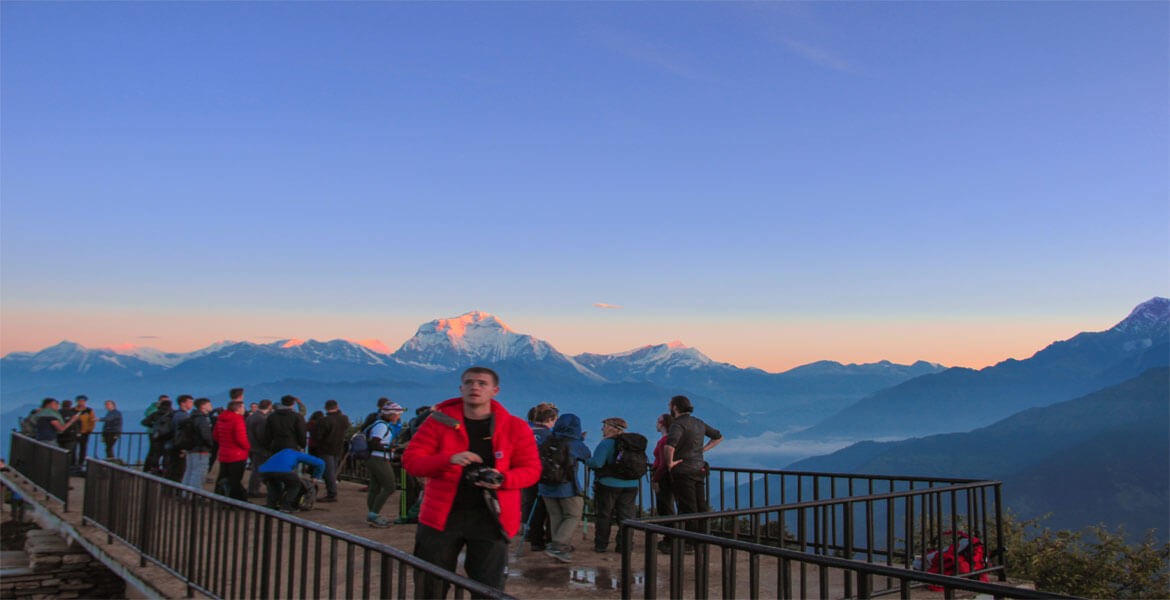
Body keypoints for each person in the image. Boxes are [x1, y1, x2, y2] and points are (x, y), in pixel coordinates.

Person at [402, 367, 540, 597]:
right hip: (441, 518)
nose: (475, 387)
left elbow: (532, 470)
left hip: (492, 519)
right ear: (461, 388)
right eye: (469, 382)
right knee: (430, 587)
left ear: (495, 390)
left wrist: (503, 479)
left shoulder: (515, 427)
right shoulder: (438, 423)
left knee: (488, 589)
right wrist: (448, 459)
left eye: (482, 383)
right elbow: (412, 461)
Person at [661, 395, 722, 553]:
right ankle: (702, 538)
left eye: (670, 404)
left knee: (687, 507)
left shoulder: (677, 424)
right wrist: (702, 450)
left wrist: (670, 464)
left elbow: (670, 446)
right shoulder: (699, 422)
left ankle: (690, 542)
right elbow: (718, 437)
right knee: (700, 505)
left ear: (675, 407)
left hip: (683, 470)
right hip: (699, 468)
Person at [539, 413, 591, 563]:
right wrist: (580, 440)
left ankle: (557, 547)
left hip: (545, 485)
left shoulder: (548, 439)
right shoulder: (574, 444)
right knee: (573, 514)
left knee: (556, 515)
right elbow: (587, 455)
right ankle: (559, 545)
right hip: (566, 486)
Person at [585, 417, 641, 553]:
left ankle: (601, 545)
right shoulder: (633, 444)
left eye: (604, 426)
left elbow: (597, 463)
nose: (602, 429)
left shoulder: (607, 444)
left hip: (608, 484)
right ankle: (624, 545)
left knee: (605, 514)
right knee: (626, 515)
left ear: (611, 428)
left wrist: (586, 461)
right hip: (631, 484)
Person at [523, 403, 557, 551]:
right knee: (546, 508)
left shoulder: (523, 430)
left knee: (529, 504)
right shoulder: (549, 435)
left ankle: (532, 537)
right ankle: (547, 539)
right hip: (543, 475)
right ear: (549, 419)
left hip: (524, 474)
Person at [364, 402, 404, 527]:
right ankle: (374, 514)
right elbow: (375, 443)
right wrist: (389, 449)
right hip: (379, 459)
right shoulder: (382, 426)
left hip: (374, 458)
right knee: (390, 486)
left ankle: (372, 513)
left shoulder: (379, 424)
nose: (398, 417)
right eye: (397, 414)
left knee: (375, 487)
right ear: (392, 415)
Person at [258, 448, 325, 513]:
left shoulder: (280, 453)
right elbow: (320, 463)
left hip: (263, 471)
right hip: (283, 471)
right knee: (295, 484)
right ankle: (286, 506)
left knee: (274, 485)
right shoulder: (296, 454)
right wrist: (316, 477)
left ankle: (271, 505)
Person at [213, 399, 250, 500]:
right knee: (235, 479)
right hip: (237, 454)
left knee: (222, 476)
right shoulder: (238, 420)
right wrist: (248, 447)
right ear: (238, 409)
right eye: (243, 407)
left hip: (224, 452)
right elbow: (240, 438)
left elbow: (216, 435)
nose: (244, 409)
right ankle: (235, 500)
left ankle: (219, 496)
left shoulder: (220, 419)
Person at [313, 399, 349, 503]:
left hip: (325, 449)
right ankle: (332, 492)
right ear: (337, 407)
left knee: (329, 473)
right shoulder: (344, 419)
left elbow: (318, 436)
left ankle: (332, 494)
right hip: (338, 448)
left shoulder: (323, 421)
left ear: (326, 408)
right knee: (333, 471)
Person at [180, 398, 215, 493]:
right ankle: (195, 496)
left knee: (189, 471)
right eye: (209, 404)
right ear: (203, 406)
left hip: (191, 449)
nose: (211, 406)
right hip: (201, 449)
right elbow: (206, 435)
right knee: (199, 473)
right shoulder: (202, 419)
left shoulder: (192, 417)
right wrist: (211, 444)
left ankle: (185, 494)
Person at [245, 399, 272, 498]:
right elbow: (262, 435)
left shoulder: (251, 417)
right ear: (269, 406)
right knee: (258, 470)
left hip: (251, 446)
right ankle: (254, 490)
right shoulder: (262, 419)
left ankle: (253, 489)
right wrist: (268, 445)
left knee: (256, 469)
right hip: (260, 448)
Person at [164, 395, 194, 482]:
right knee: (178, 470)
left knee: (172, 469)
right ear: (183, 403)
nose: (192, 404)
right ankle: (174, 491)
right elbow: (182, 433)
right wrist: (183, 447)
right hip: (177, 446)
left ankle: (168, 490)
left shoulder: (175, 414)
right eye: (190, 402)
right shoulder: (183, 416)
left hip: (171, 445)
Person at [651, 412, 675, 517]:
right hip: (669, 475)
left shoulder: (663, 441)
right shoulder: (670, 439)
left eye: (657, 421)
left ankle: (669, 531)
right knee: (668, 504)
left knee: (664, 505)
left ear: (662, 424)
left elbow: (663, 463)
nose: (656, 424)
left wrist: (655, 479)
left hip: (662, 477)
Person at [141, 395, 171, 474]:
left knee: (155, 452)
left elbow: (144, 422)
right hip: (167, 435)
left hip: (156, 435)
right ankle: (165, 469)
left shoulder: (155, 413)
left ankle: (154, 468)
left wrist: (154, 426)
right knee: (166, 454)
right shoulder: (171, 413)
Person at [56, 400, 80, 471]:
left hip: (59, 436)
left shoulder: (57, 413)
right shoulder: (73, 414)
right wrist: (78, 434)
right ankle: (68, 468)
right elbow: (78, 424)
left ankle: (59, 467)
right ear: (70, 405)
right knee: (69, 454)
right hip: (71, 437)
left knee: (59, 453)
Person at [74, 395, 97, 467]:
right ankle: (73, 464)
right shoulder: (73, 410)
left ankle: (81, 463)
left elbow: (92, 421)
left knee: (83, 449)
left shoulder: (89, 410)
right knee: (73, 448)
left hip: (85, 432)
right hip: (74, 432)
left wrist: (90, 429)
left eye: (83, 401)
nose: (81, 402)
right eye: (80, 401)